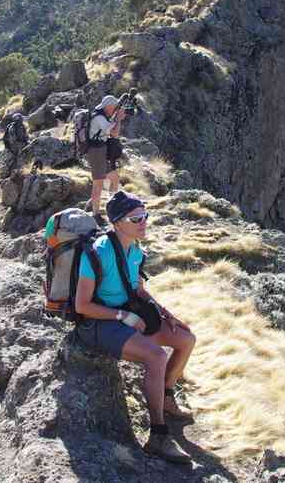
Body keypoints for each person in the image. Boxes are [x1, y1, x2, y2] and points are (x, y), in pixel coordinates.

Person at [74, 191, 197, 464]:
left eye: (145, 216)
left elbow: (138, 290)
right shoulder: (97, 253)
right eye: (136, 218)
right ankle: (158, 435)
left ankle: (165, 395)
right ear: (118, 222)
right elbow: (82, 305)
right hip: (98, 323)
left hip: (126, 314)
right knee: (157, 356)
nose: (143, 222)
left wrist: (168, 315)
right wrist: (122, 317)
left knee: (186, 339)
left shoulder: (135, 250)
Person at [86, 95, 125, 223]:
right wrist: (118, 119)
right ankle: (95, 214)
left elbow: (112, 131)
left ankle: (111, 207)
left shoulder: (103, 116)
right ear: (108, 106)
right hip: (96, 152)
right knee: (98, 184)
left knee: (115, 178)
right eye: (113, 108)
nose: (114, 110)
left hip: (101, 151)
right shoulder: (98, 118)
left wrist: (116, 119)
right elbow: (114, 133)